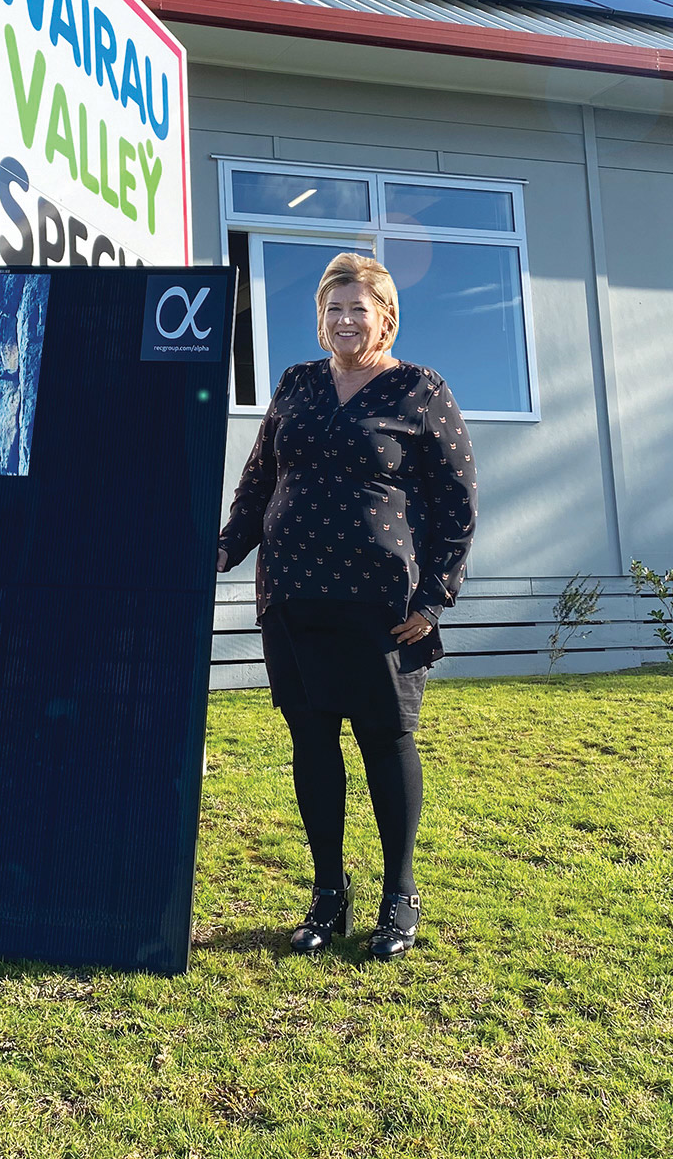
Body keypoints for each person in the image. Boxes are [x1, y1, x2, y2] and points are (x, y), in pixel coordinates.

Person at [217, 252, 477, 959]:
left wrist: (435, 595)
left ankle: (400, 898)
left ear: (385, 316)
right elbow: (259, 481)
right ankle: (327, 896)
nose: (344, 320)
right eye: (333, 309)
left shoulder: (420, 391)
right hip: (294, 594)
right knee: (311, 742)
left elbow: (457, 504)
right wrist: (222, 551)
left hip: (380, 603)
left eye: (358, 308)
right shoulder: (298, 383)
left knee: (385, 742)